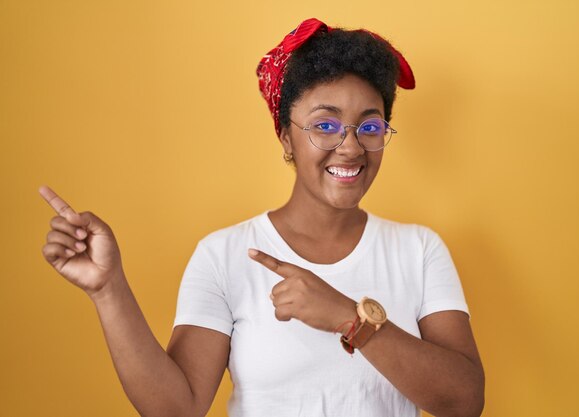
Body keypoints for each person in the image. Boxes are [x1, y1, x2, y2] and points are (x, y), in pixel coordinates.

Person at [40, 17, 485, 417]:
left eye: (369, 127)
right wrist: (108, 288)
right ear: (285, 138)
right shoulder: (224, 254)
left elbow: (465, 401)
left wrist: (349, 319)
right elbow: (176, 408)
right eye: (325, 125)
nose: (350, 147)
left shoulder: (419, 250)